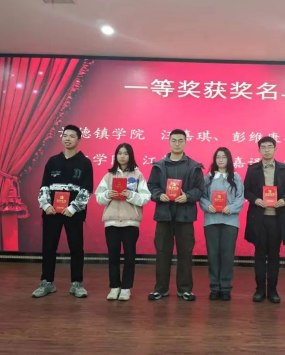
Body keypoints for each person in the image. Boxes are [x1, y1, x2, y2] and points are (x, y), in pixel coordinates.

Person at [32, 125, 94, 298]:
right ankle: (47, 282)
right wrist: (46, 205)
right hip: (51, 213)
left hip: (73, 213)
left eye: (72, 136)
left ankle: (76, 283)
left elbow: (87, 189)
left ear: (79, 140)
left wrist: (73, 207)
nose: (67, 139)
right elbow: (44, 186)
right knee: (49, 247)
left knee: (76, 248)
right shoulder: (52, 161)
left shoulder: (85, 162)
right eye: (65, 135)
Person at [147, 129, 204, 301]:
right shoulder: (159, 166)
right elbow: (151, 186)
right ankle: (160, 289)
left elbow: (199, 189)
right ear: (169, 142)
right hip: (164, 215)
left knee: (185, 253)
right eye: (174, 140)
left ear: (185, 142)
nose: (177, 144)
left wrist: (188, 196)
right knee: (162, 253)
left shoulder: (194, 167)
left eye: (180, 140)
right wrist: (159, 195)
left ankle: (185, 289)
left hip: (185, 216)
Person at [95, 143, 151, 301]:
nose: (122, 156)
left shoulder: (138, 175)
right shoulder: (109, 175)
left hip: (130, 223)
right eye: (119, 153)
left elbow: (146, 197)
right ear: (116, 156)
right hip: (111, 222)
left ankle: (126, 288)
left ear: (130, 155)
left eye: (125, 153)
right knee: (113, 256)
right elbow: (98, 197)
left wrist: (131, 195)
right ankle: (114, 287)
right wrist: (108, 195)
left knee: (129, 257)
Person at [243, 136, 285, 303]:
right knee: (259, 255)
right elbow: (246, 191)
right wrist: (255, 199)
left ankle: (272, 290)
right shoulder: (253, 169)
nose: (266, 150)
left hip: (277, 219)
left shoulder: (283, 169)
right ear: (259, 150)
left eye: (269, 147)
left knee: (274, 255)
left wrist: (284, 200)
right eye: (263, 147)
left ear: (275, 149)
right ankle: (259, 290)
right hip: (259, 218)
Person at [199, 147, 244, 301]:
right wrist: (207, 206)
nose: (220, 160)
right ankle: (214, 287)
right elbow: (202, 196)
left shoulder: (236, 177)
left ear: (229, 159)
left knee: (227, 255)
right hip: (211, 221)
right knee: (213, 255)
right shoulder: (208, 177)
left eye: (223, 157)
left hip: (230, 221)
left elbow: (240, 198)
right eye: (218, 157)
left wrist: (230, 208)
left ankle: (225, 288)